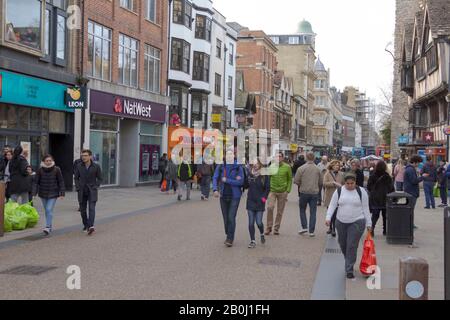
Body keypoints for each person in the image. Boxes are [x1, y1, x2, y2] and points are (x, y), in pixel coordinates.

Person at [326, 173, 372, 279]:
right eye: (348, 183)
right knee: (343, 244)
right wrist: (328, 218)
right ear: (344, 183)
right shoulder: (339, 191)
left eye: (352, 183)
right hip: (341, 221)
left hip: (357, 221)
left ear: (355, 182)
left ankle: (349, 269)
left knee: (351, 245)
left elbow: (366, 208)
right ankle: (349, 260)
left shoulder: (361, 191)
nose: (350, 185)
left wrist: (369, 223)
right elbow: (332, 205)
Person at [213, 150, 245, 247]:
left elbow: (240, 182)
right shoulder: (221, 166)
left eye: (231, 154)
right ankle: (229, 233)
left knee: (231, 217)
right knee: (226, 218)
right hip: (223, 195)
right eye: (227, 154)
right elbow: (215, 177)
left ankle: (230, 238)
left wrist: (227, 180)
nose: (229, 155)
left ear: (234, 155)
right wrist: (215, 189)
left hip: (235, 196)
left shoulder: (238, 167)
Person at [33, 155, 65, 235]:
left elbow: (60, 181)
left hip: (53, 193)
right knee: (47, 211)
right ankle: (49, 226)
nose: (48, 162)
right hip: (43, 193)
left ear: (52, 161)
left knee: (48, 209)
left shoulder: (56, 169)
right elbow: (36, 182)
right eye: (47, 161)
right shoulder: (40, 170)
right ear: (44, 162)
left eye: (50, 160)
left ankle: (47, 227)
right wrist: (34, 193)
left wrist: (62, 193)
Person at [74, 149, 102, 235]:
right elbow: (76, 178)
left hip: (92, 190)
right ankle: (86, 225)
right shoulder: (79, 166)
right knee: (82, 210)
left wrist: (96, 186)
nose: (83, 157)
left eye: (85, 156)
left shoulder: (96, 166)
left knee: (91, 208)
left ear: (90, 156)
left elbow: (100, 178)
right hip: (82, 191)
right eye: (82, 156)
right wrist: (78, 187)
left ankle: (91, 226)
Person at [294, 152, 322, 237]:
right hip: (314, 192)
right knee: (313, 212)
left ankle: (304, 226)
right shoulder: (318, 169)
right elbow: (321, 182)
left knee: (302, 209)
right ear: (314, 158)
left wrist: (302, 184)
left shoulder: (301, 168)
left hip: (304, 192)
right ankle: (311, 231)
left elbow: (296, 181)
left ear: (306, 158)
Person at [265, 152, 293, 236]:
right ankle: (268, 227)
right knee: (270, 207)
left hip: (282, 192)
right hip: (272, 191)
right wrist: (267, 189)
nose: (278, 158)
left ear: (283, 158)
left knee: (280, 211)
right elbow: (267, 178)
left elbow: (290, 179)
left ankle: (276, 228)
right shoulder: (271, 166)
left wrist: (287, 190)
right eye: (276, 157)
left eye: (280, 156)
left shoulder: (287, 167)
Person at [246, 159, 270, 248]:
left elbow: (267, 188)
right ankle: (252, 241)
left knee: (259, 222)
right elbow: (245, 185)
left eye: (257, 163)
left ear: (260, 164)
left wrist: (264, 198)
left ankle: (262, 233)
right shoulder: (250, 174)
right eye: (254, 164)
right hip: (250, 200)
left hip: (260, 201)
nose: (255, 165)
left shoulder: (264, 175)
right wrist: (243, 180)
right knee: (251, 222)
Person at [367, 161, 395, 236]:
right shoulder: (387, 177)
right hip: (385, 199)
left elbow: (368, 187)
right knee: (385, 216)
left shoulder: (372, 175)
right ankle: (385, 230)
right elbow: (391, 189)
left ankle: (371, 230)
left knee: (375, 216)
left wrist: (374, 192)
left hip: (375, 199)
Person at [404, 155, 428, 229]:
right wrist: (423, 177)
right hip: (411, 192)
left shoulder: (409, 169)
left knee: (410, 209)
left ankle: (410, 223)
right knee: (410, 209)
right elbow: (414, 181)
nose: (418, 165)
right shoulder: (410, 170)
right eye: (418, 163)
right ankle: (410, 224)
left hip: (410, 191)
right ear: (415, 162)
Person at [323, 160, 344, 237]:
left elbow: (344, 184)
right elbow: (324, 184)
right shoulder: (327, 174)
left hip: (338, 196)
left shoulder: (341, 174)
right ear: (332, 166)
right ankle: (330, 227)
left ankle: (334, 229)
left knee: (335, 213)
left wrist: (341, 185)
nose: (337, 167)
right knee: (330, 213)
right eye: (335, 165)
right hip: (329, 196)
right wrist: (333, 183)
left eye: (338, 165)